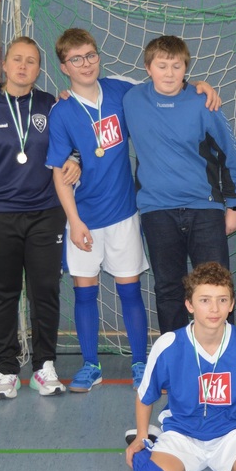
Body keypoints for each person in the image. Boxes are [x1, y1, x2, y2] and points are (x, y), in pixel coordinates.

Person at [0, 36, 75, 399]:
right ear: (4, 65)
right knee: (2, 295)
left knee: (45, 292)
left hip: (45, 215)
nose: (23, 66)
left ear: (39, 69)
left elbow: (73, 145)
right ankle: (6, 369)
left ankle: (44, 366)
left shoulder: (51, 105)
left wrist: (76, 161)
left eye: (31, 61)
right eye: (17, 59)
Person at [47, 28, 151, 392]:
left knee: (131, 290)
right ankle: (91, 365)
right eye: (76, 59)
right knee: (84, 291)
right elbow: (60, 173)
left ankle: (140, 363)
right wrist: (74, 222)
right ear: (64, 67)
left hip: (123, 213)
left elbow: (162, 85)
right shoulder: (61, 112)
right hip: (84, 219)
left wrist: (196, 84)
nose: (86, 63)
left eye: (90, 55)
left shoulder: (121, 89)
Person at [124, 262, 236, 471]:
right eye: (204, 300)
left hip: (231, 431)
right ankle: (153, 439)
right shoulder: (169, 345)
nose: (214, 309)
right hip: (182, 432)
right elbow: (145, 395)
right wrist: (141, 435)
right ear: (189, 305)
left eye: (222, 300)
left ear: (231, 304)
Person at [123, 35, 236, 336]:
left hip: (204, 209)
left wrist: (234, 205)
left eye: (176, 66)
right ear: (148, 68)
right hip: (157, 210)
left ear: (185, 68)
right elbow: (91, 89)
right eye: (161, 66)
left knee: (216, 287)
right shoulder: (131, 99)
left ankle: (223, 355)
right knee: (168, 288)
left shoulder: (203, 102)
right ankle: (174, 354)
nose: (169, 73)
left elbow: (228, 154)